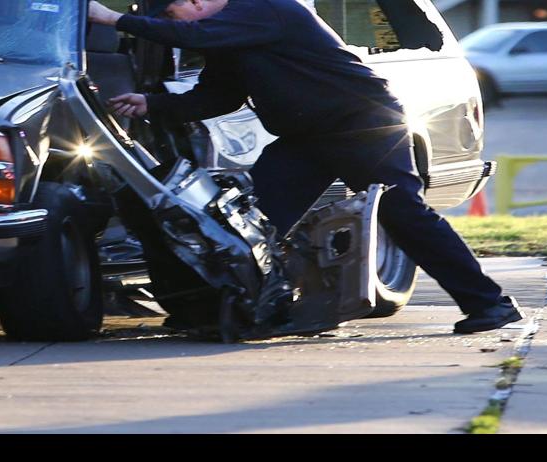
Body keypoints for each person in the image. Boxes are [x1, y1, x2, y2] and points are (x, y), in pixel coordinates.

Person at [86, 0, 523, 334]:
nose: (174, 20)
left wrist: (111, 19)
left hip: (364, 125)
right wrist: (152, 104)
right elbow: (217, 99)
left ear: (197, 1)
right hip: (305, 140)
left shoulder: (264, 8)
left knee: (405, 214)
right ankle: (241, 309)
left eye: (173, 10)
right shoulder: (226, 37)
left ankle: (489, 304)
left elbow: (196, 37)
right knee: (252, 221)